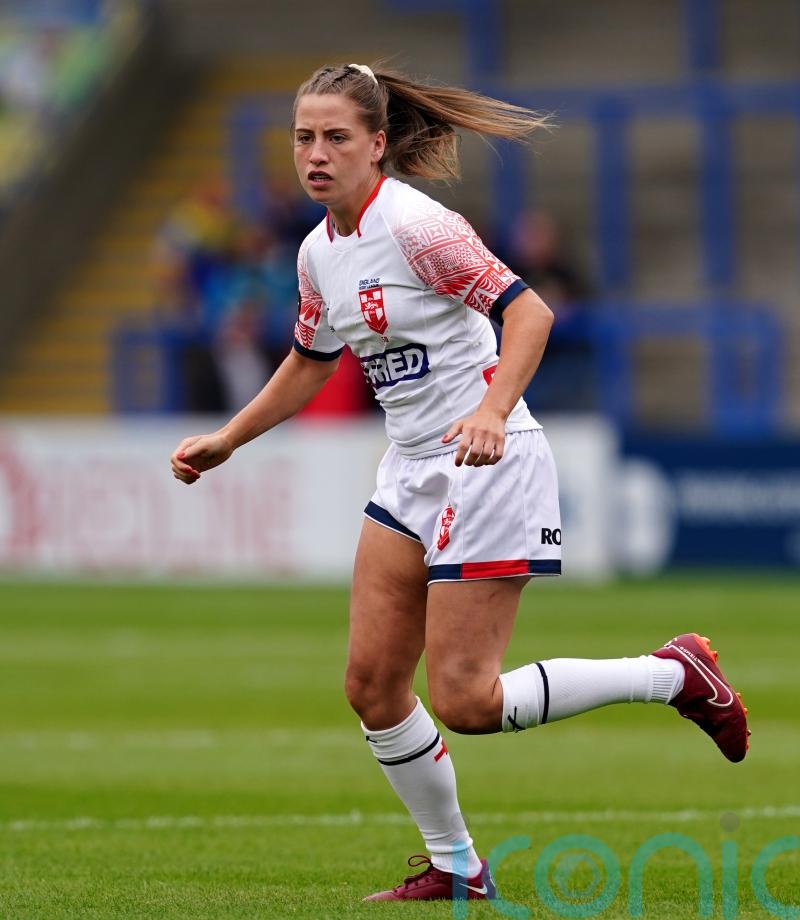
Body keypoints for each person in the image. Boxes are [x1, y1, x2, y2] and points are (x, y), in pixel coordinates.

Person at [170, 63, 750, 903]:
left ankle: (675, 674)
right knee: (372, 685)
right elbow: (310, 360)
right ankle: (457, 868)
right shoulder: (316, 252)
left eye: (336, 137)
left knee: (468, 702)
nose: (316, 154)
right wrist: (229, 439)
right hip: (409, 469)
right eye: (303, 137)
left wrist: (491, 409)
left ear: (377, 144)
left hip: (488, 461)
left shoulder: (418, 227)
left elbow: (530, 312)